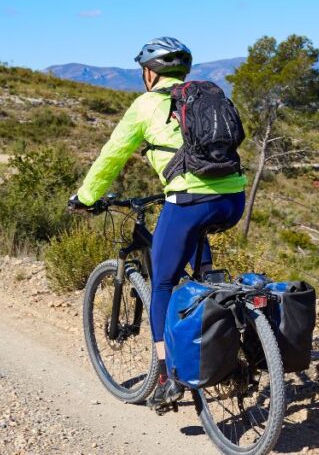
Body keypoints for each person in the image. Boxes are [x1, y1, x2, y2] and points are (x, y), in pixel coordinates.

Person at [68, 37, 247, 411]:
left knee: (162, 282)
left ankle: (167, 377)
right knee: (203, 273)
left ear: (150, 73)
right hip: (233, 198)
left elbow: (111, 156)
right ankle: (236, 343)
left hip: (189, 200)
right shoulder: (208, 95)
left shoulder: (147, 104)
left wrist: (85, 198)